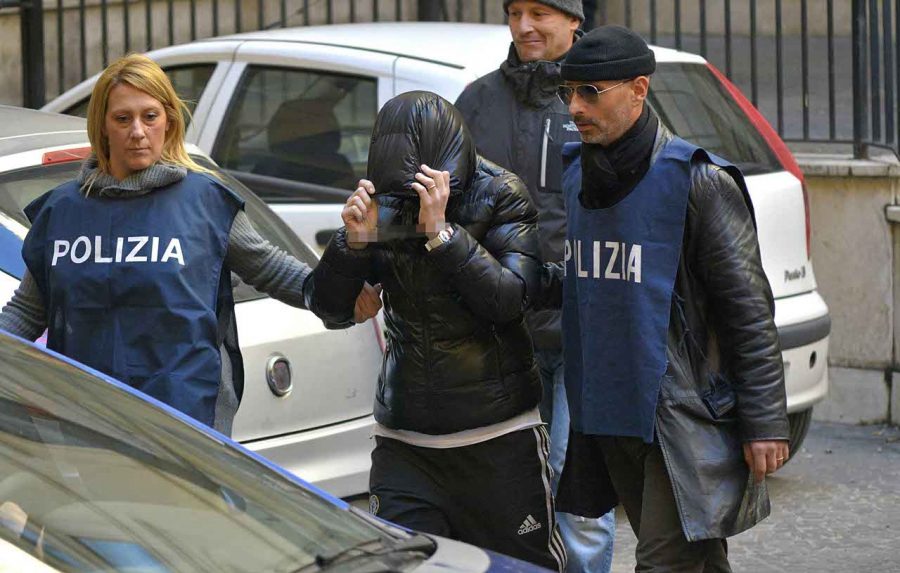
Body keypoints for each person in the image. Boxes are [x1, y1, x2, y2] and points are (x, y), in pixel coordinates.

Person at [0, 54, 381, 437]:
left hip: (186, 430)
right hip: (87, 427)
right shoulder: (62, 211)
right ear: (102, 125)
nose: (138, 131)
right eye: (123, 118)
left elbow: (274, 270)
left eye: (150, 116)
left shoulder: (205, 202)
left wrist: (342, 293)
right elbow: (28, 311)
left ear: (168, 120)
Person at [536, 26, 790, 571]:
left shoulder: (698, 180)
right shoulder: (577, 173)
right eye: (568, 92)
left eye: (590, 92)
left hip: (678, 414)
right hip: (607, 409)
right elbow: (581, 280)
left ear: (639, 89)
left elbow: (748, 310)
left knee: (662, 562)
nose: (574, 107)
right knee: (696, 558)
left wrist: (765, 420)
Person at [305, 90, 566, 572]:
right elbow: (329, 307)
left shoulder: (500, 193)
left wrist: (442, 235)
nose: (407, 202)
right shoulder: (384, 200)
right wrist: (352, 246)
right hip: (406, 441)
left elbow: (511, 300)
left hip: (497, 437)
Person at [454, 2, 616, 572]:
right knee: (515, 490)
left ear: (574, 20)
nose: (524, 26)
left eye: (540, 13)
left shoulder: (603, 94)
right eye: (515, 12)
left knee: (579, 486)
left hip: (582, 329)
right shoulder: (477, 100)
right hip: (501, 332)